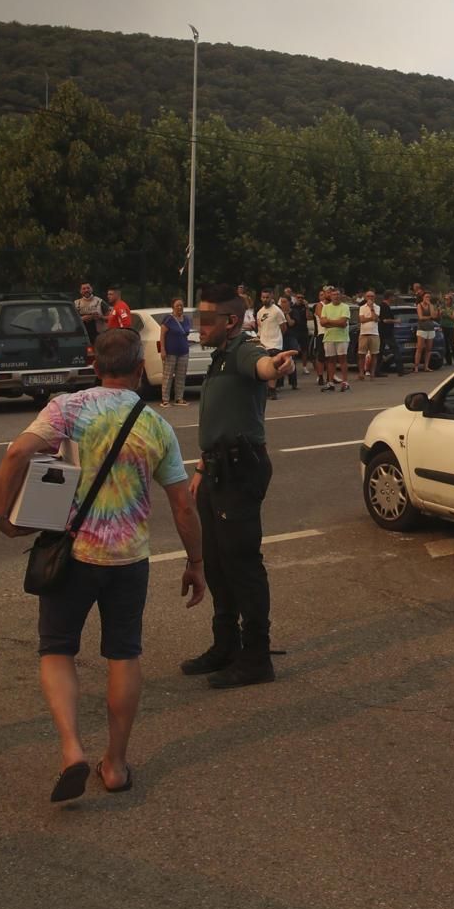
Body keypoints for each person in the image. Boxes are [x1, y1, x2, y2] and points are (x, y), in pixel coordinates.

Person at [0, 327, 203, 802]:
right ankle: (117, 765)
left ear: (94, 361)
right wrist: (196, 562)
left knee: (57, 649)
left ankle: (71, 750)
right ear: (138, 368)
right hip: (129, 559)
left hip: (73, 553)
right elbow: (183, 504)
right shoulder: (156, 424)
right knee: (124, 655)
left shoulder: (69, 407)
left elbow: (18, 451)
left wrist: (1, 515)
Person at [181, 283, 295, 688]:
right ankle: (225, 645)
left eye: (206, 318)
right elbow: (219, 421)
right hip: (216, 470)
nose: (199, 324)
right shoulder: (219, 357)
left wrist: (275, 365)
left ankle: (256, 656)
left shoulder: (244, 349)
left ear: (229, 322)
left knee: (242, 563)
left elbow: (263, 366)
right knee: (215, 561)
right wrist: (200, 468)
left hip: (240, 470)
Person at [158, 297, 194, 406]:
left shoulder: (187, 319)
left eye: (181, 305)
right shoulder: (168, 319)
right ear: (173, 307)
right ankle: (165, 399)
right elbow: (162, 335)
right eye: (177, 305)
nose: (179, 307)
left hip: (183, 351)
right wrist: (163, 350)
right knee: (168, 376)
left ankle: (179, 398)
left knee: (181, 376)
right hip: (170, 352)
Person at [318, 286, 352, 391]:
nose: (336, 296)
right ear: (330, 296)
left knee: (342, 359)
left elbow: (343, 323)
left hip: (342, 337)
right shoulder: (326, 307)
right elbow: (323, 322)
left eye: (338, 294)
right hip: (329, 337)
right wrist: (336, 322)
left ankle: (345, 382)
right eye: (333, 295)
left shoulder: (345, 307)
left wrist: (330, 321)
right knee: (330, 360)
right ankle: (331, 382)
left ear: (341, 296)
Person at [254, 293, 286, 400]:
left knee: (274, 365)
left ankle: (272, 390)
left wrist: (277, 337)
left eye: (267, 297)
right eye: (263, 297)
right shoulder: (259, 312)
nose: (265, 299)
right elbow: (260, 328)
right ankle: (267, 389)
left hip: (275, 343)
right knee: (265, 366)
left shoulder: (277, 311)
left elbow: (283, 327)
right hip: (264, 343)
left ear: (271, 298)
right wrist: (258, 339)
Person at [356, 291, 381, 380]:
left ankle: (372, 373)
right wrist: (371, 318)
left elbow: (375, 318)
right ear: (365, 297)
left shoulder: (377, 307)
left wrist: (371, 308)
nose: (370, 298)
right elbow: (362, 320)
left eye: (372, 296)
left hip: (374, 333)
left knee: (374, 354)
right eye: (368, 296)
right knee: (361, 354)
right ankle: (361, 373)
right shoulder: (362, 307)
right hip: (363, 333)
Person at [414, 287, 437, 373]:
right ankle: (416, 366)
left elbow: (434, 316)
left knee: (429, 349)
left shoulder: (430, 305)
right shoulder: (419, 305)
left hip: (430, 328)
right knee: (419, 348)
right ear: (423, 297)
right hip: (422, 329)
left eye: (429, 297)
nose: (427, 298)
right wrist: (429, 317)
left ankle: (426, 366)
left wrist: (430, 305)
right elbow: (421, 317)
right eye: (426, 297)